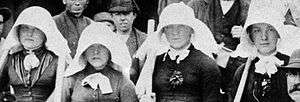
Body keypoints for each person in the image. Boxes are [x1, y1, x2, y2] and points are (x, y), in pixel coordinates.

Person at [135, 2, 222, 102]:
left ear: (191, 30)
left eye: (181, 26)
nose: (175, 32)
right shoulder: (155, 62)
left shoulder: (207, 64)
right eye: (169, 27)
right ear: (163, 31)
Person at [0, 6, 70, 102]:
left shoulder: (58, 60)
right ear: (18, 31)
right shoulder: (10, 59)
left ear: (45, 33)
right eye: (25, 28)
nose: (29, 34)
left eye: (36, 29)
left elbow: (64, 93)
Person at [228, 9, 296, 102]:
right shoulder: (242, 72)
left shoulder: (292, 68)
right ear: (250, 36)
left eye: (270, 30)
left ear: (278, 33)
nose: (264, 37)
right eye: (257, 31)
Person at [61, 23, 138, 102]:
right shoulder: (71, 81)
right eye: (91, 47)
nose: (96, 52)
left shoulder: (122, 82)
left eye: (102, 46)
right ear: (84, 52)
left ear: (109, 51)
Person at [108, 0, 147, 83]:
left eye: (126, 14)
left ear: (134, 15)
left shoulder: (144, 40)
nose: (122, 18)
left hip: (136, 88)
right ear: (111, 17)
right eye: (117, 14)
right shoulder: (106, 39)